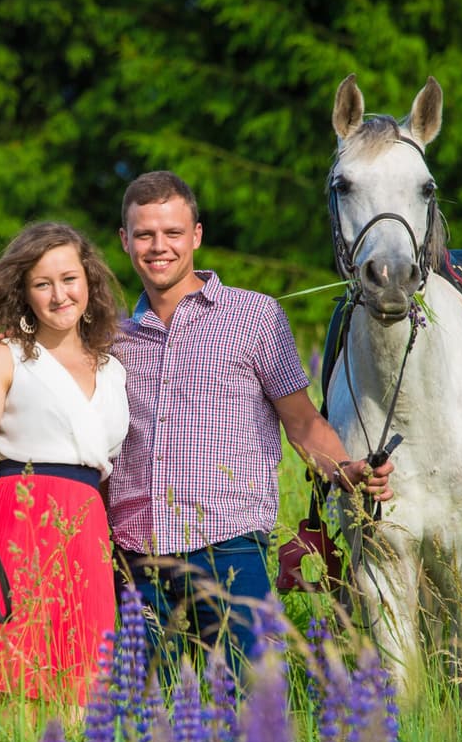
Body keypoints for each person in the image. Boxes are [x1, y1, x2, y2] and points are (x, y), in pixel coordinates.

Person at [107, 170, 394, 681]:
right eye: (145, 234)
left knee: (253, 703)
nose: (159, 247)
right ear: (124, 240)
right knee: (141, 723)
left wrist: (345, 470)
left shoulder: (255, 316)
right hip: (137, 559)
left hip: (230, 547)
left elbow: (303, 424)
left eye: (173, 233)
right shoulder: (111, 339)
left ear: (196, 235)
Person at [0, 222, 129, 706]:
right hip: (19, 521)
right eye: (43, 284)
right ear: (25, 293)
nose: (60, 295)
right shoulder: (5, 355)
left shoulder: (114, 368)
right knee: (12, 688)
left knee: (83, 694)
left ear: (90, 282)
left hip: (88, 528)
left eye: (69, 279)